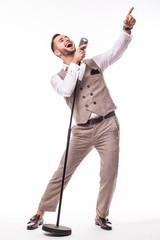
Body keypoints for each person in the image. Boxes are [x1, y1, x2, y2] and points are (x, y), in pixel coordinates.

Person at [27, 7, 136, 231]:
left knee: (109, 174)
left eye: (66, 36)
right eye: (60, 40)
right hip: (82, 130)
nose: (66, 39)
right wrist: (75, 63)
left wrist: (126, 29)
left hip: (108, 125)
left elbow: (116, 51)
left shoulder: (95, 63)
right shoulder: (56, 78)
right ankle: (40, 212)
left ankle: (101, 215)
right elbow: (67, 90)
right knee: (62, 171)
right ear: (58, 52)